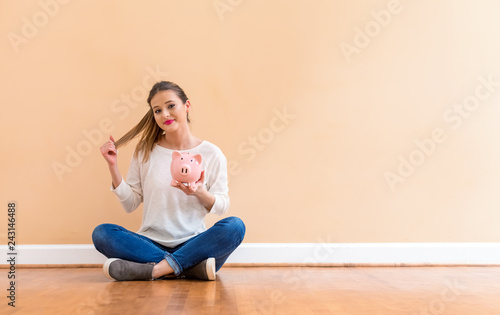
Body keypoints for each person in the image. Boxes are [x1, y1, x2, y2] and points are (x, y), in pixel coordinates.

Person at [92, 81, 245, 281]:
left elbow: (222, 206)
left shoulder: (211, 154)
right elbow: (130, 204)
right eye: (157, 110)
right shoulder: (145, 151)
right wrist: (113, 166)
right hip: (150, 242)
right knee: (102, 234)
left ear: (187, 106)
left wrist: (198, 191)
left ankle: (156, 270)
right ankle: (189, 268)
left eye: (171, 106)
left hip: (193, 243)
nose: (164, 114)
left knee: (235, 226)